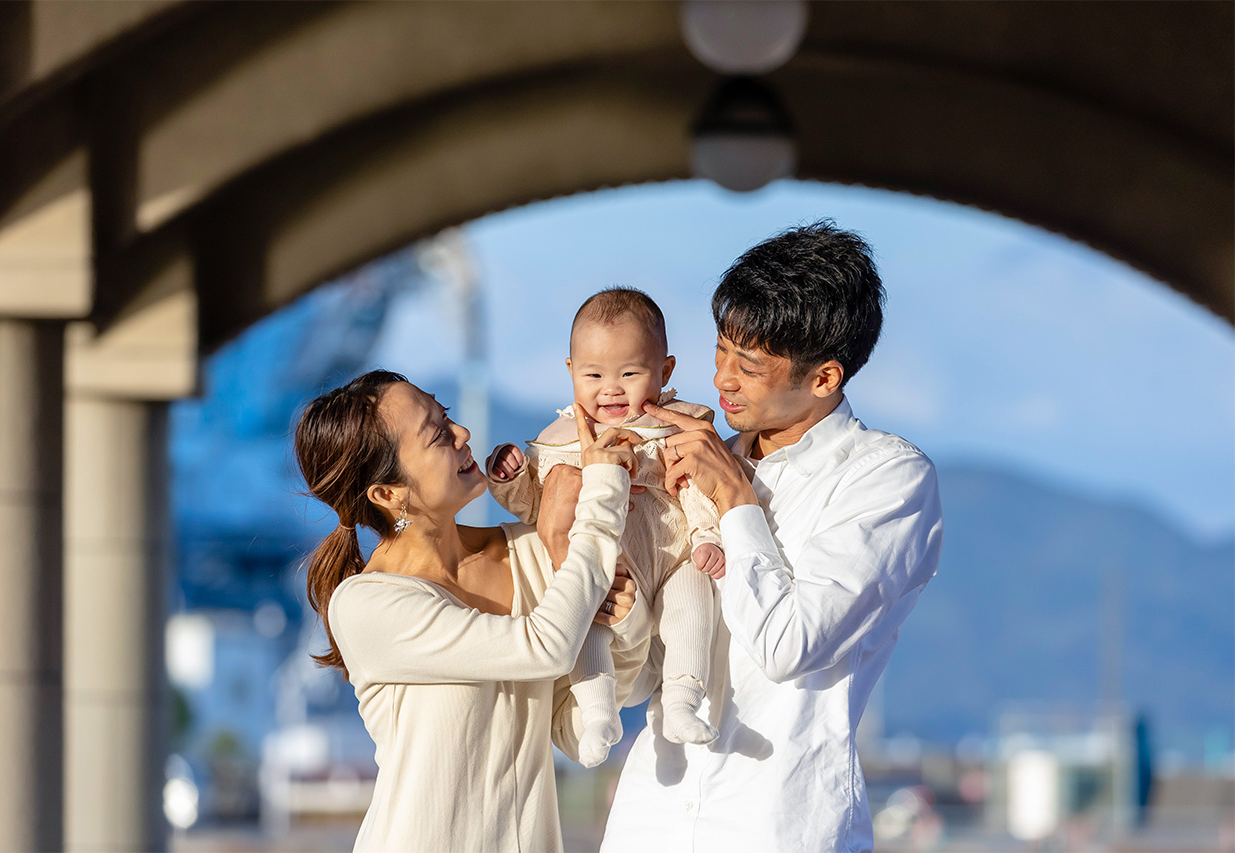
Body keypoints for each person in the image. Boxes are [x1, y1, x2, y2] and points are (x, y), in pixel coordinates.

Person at [599, 222, 945, 851]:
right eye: (722, 350)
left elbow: (789, 646)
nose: (723, 378)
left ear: (824, 378)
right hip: (652, 816)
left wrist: (734, 498)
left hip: (781, 823)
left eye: (750, 364)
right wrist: (620, 615)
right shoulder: (686, 457)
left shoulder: (887, 479)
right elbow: (635, 682)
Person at [294, 370, 649, 852]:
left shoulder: (530, 550)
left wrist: (624, 625)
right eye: (438, 434)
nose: (462, 434)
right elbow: (546, 648)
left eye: (448, 418)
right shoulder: (365, 604)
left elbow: (574, 728)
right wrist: (595, 504)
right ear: (387, 494)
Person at [487, 288, 725, 767]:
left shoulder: (682, 427)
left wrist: (707, 536)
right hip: (610, 566)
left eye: (630, 373)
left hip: (677, 555)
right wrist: (508, 477)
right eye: (593, 374)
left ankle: (682, 699)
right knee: (587, 624)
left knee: (693, 602)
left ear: (666, 371)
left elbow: (700, 488)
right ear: (571, 370)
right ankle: (596, 714)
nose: (611, 389)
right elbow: (534, 506)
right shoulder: (557, 443)